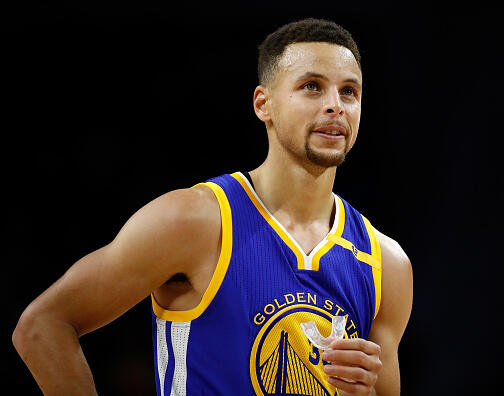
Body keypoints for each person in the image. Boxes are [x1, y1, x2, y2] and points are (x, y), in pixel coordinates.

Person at [13, 18, 413, 396]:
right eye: (311, 86)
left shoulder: (386, 263)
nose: (335, 105)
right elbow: (42, 325)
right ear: (264, 104)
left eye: (349, 91)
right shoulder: (194, 220)